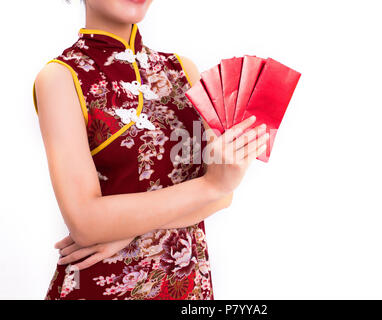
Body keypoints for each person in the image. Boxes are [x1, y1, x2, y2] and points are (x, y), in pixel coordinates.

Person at [33, 0, 268, 300]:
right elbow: (85, 222)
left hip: (188, 290)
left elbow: (222, 194)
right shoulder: (61, 78)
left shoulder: (183, 71)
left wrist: (122, 231)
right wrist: (211, 185)